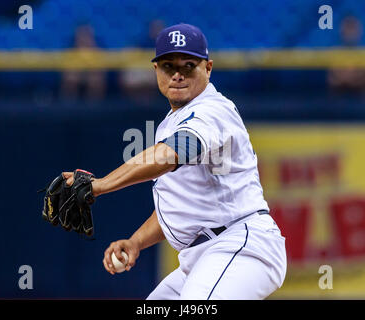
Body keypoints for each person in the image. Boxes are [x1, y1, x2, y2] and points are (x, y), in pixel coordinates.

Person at [64, 23, 287, 299]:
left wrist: (100, 185)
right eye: (169, 66)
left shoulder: (212, 111)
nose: (178, 74)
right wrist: (136, 242)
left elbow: (171, 154)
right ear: (156, 70)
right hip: (202, 257)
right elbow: (180, 205)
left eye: (189, 65)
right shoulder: (172, 122)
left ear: (208, 68)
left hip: (239, 245)